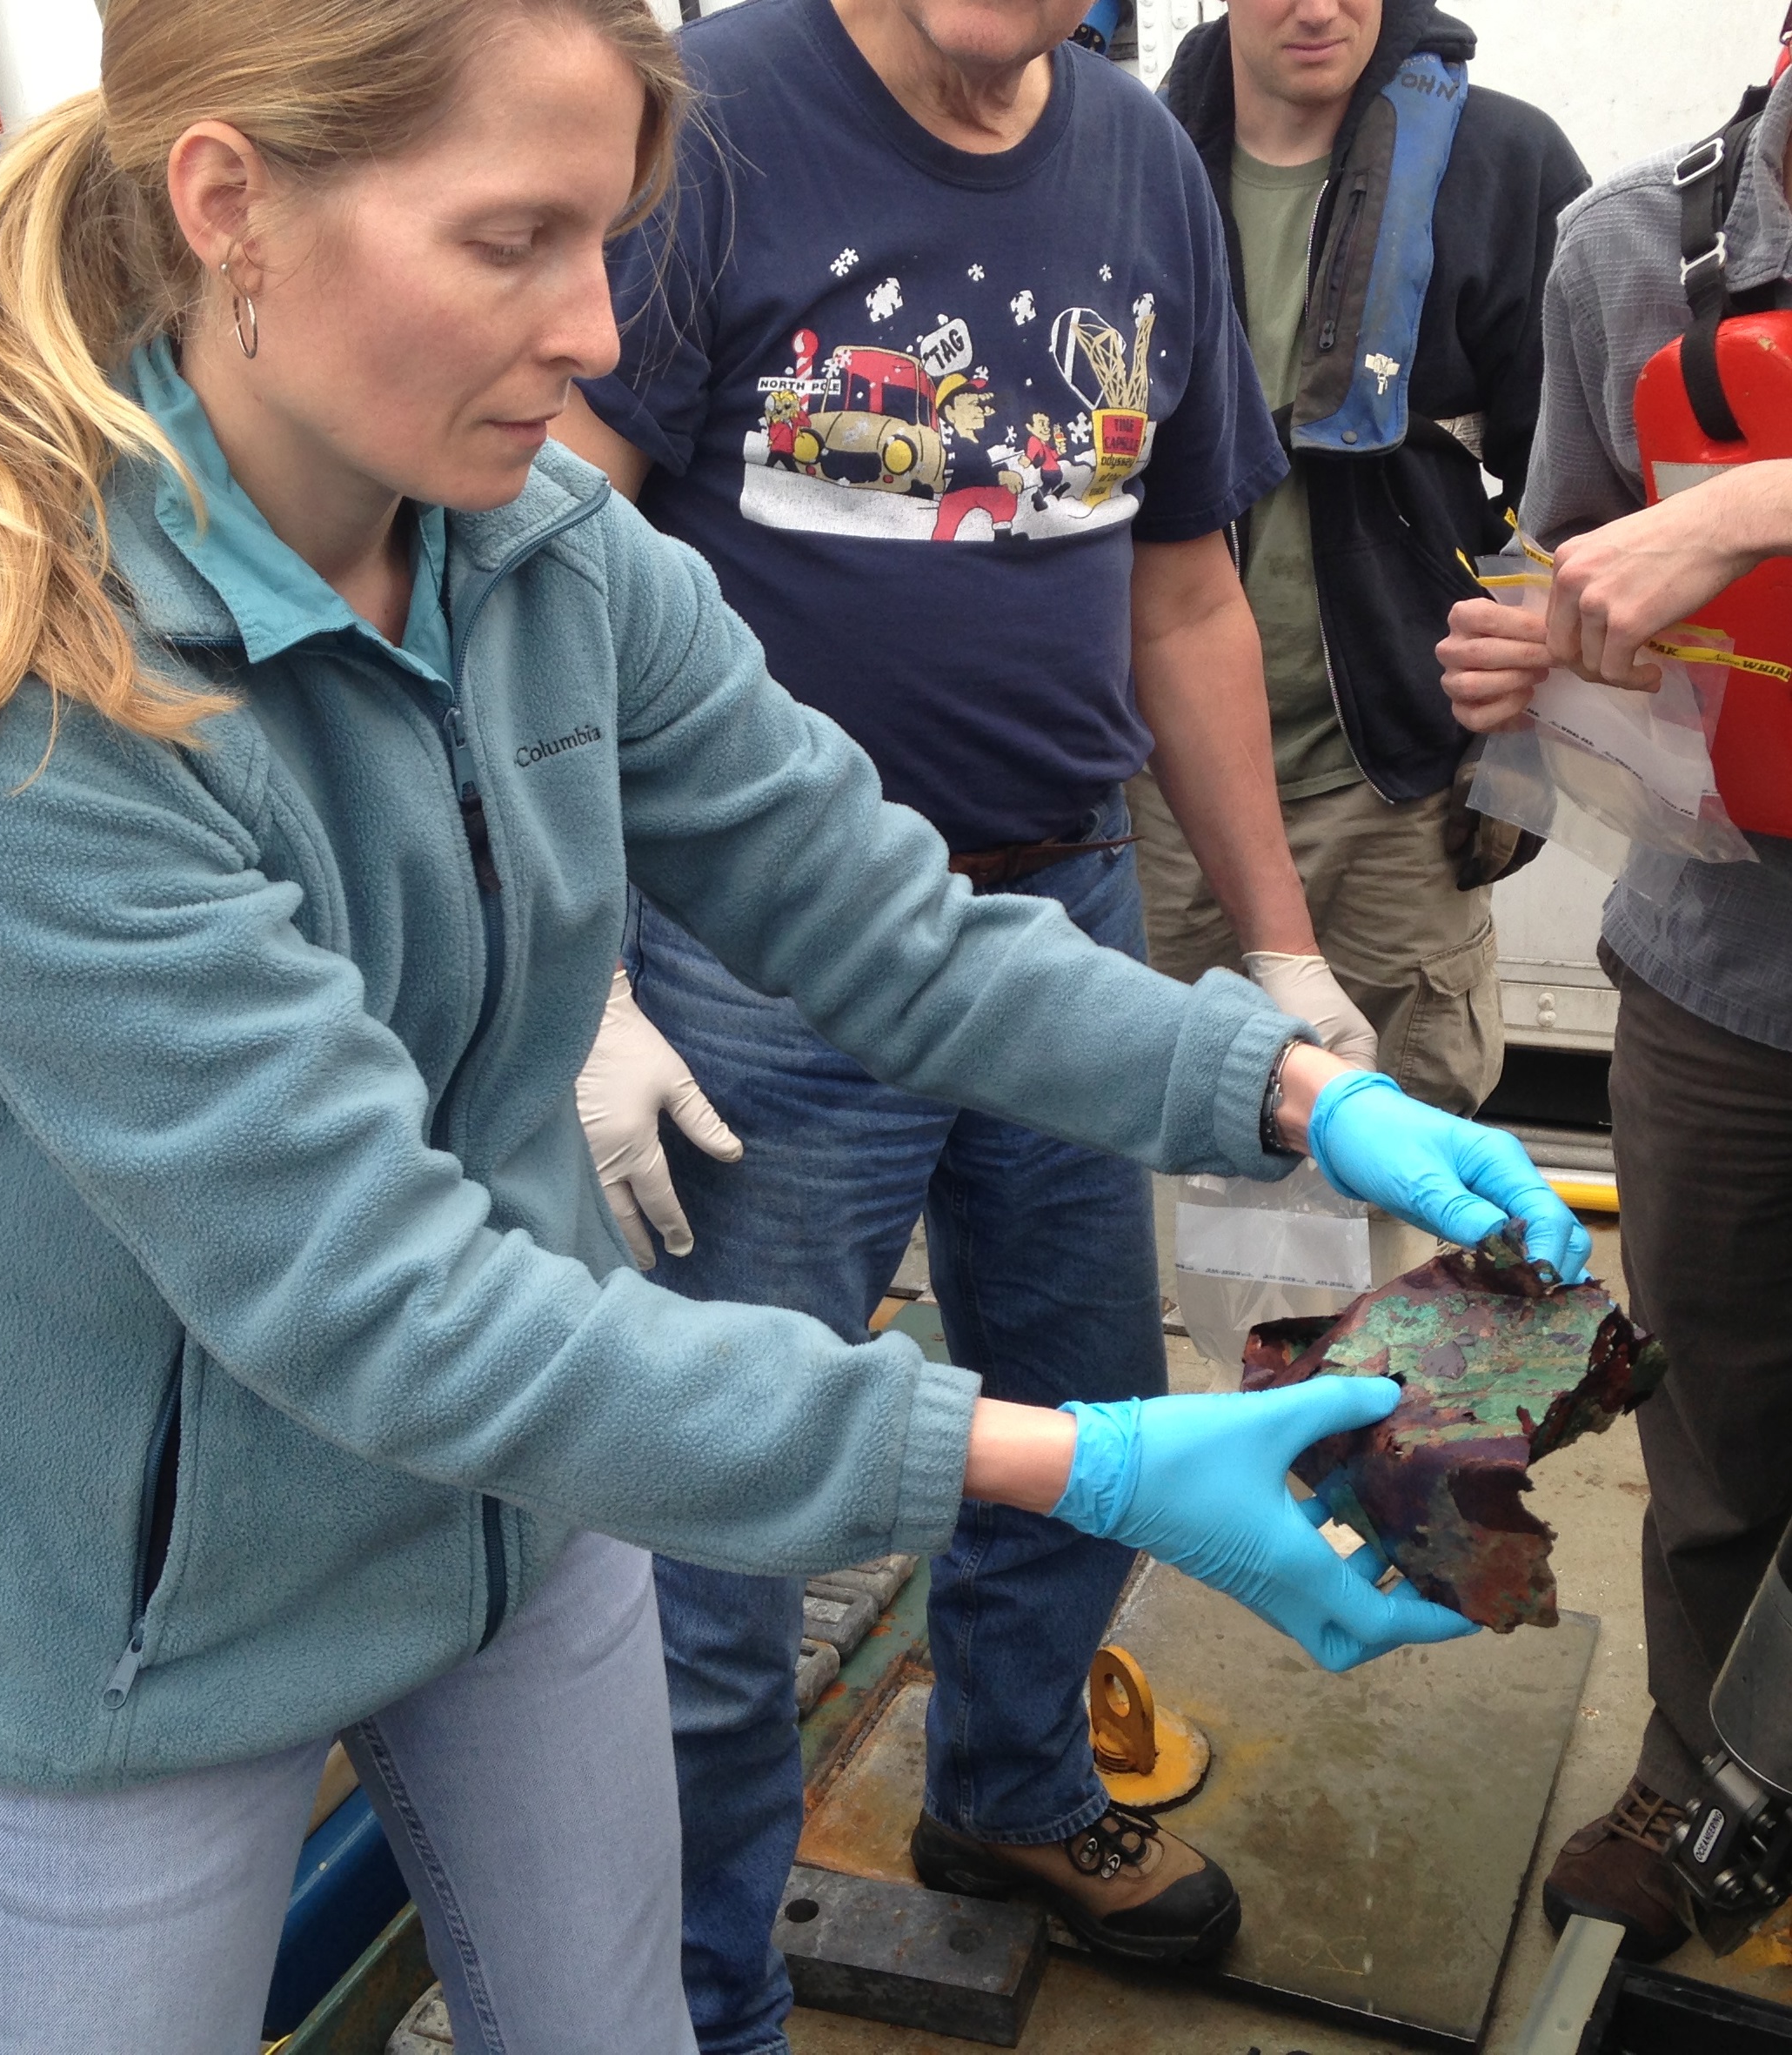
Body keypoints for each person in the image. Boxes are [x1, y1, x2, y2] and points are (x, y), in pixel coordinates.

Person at [0, 1, 1586, 2048]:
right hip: (133, 1632)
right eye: (513, 240)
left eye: (609, 237)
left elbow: (893, 934)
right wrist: (1068, 1462)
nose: (588, 326)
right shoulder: (15, 690)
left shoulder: (552, 565)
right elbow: (379, 1305)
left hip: (506, 1538)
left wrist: (1282, 1083)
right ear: (233, 209)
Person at [554, 1, 1385, 2043]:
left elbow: (1176, 586)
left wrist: (1274, 947)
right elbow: (538, 550)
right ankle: (694, 1986)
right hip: (754, 967)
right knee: (718, 1520)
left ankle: (1003, 1785)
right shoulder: (712, 123)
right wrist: (582, 966)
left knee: (1087, 1402)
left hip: (1056, 916)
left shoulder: (1131, 159)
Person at [1437, 57, 1792, 1963]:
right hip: (1725, 978)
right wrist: (1528, 641)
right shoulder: (1623, 253)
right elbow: (1569, 563)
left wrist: (1759, 496)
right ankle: (1696, 1771)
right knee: (1718, 1421)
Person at [1140, 0, 1588, 1116]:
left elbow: (1586, 488)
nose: (1317, 7)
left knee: (1409, 1172)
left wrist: (1516, 755)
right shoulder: (1123, 166)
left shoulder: (1508, 162)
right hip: (1158, 789)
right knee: (1170, 1151)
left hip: (1391, 781)